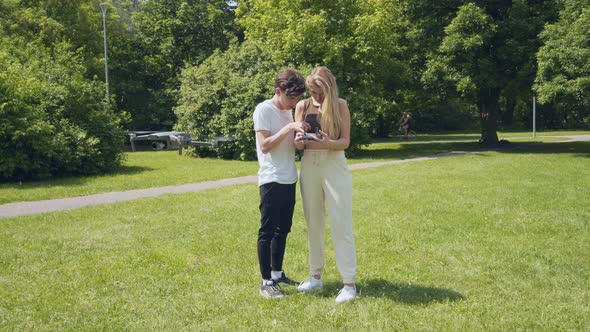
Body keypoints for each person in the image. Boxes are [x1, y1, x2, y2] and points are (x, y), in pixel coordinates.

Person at [294, 66, 357, 303]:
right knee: (313, 222)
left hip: (334, 164)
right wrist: (299, 140)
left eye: (319, 92)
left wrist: (328, 142)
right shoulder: (302, 106)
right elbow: (298, 146)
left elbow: (345, 142)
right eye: (312, 91)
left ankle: (349, 284)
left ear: (329, 88)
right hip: (309, 165)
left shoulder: (340, 105)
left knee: (341, 221)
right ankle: (315, 277)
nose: (316, 97)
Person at [253, 68, 309, 299]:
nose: (294, 103)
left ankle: (277, 274)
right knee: (267, 231)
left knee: (283, 229)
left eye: (297, 99)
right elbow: (265, 145)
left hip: (288, 177)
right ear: (278, 91)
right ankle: (266, 282)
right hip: (271, 178)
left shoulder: (289, 111)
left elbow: (292, 145)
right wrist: (289, 127)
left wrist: (300, 139)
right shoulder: (264, 109)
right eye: (291, 98)